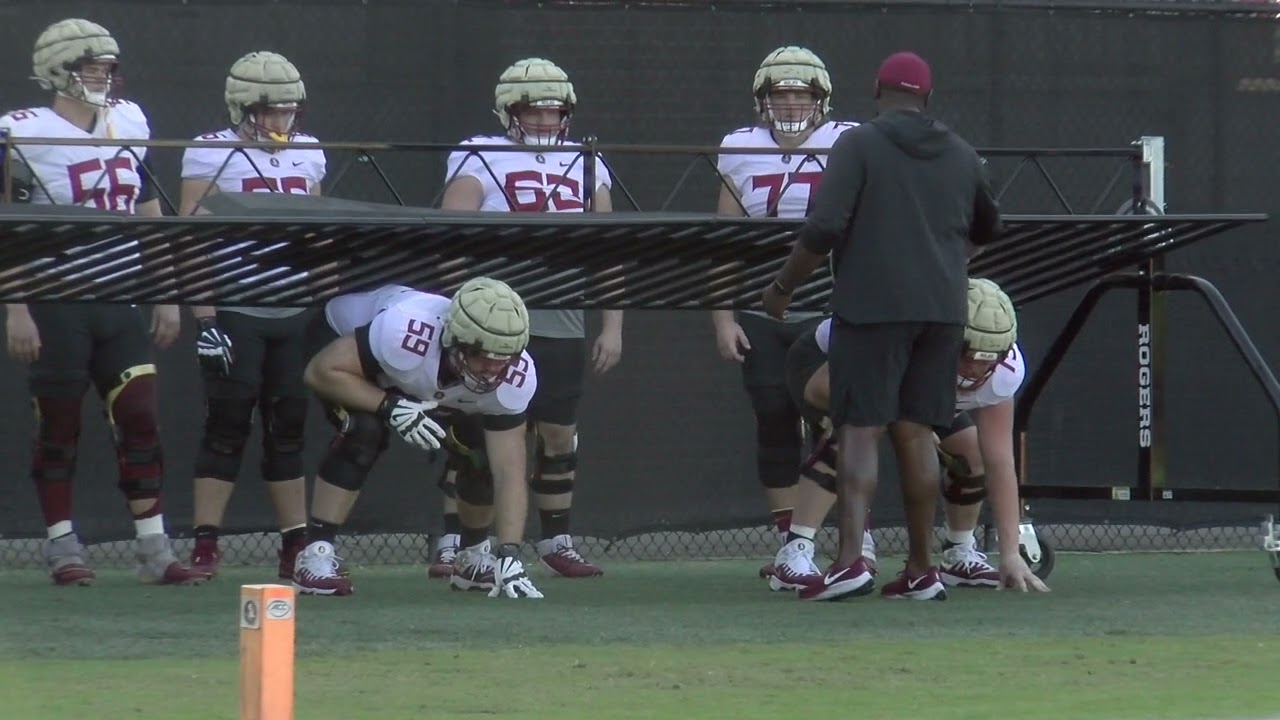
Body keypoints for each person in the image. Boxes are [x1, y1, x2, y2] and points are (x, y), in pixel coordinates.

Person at [762, 50, 1002, 600]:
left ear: (876, 92)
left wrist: (782, 287)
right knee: (916, 432)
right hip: (941, 311)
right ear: (928, 98)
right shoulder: (962, 152)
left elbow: (825, 225)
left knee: (859, 428)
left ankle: (851, 563)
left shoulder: (859, 144)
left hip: (872, 308)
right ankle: (921, 570)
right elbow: (990, 226)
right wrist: (949, 260)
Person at [0, 18, 201, 586]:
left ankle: (153, 547)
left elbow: (149, 212)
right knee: (58, 427)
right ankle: (62, 545)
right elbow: (7, 226)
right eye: (91, 68)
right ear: (57, 71)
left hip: (119, 295)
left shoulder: (129, 121)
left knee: (140, 417)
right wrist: (16, 307)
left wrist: (165, 293)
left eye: (107, 68)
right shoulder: (21, 132)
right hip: (56, 296)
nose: (102, 78)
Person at [435, 57, 621, 579]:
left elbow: (609, 248)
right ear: (508, 112)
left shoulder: (587, 161)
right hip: (489, 321)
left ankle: (557, 538)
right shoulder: (479, 154)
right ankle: (458, 540)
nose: (544, 120)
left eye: (552, 111)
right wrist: (453, 310)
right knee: (477, 432)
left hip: (561, 316)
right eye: (533, 111)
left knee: (558, 434)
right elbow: (448, 236)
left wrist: (613, 326)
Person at [778, 278, 1051, 599]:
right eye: (968, 355)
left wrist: (1010, 552)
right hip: (827, 369)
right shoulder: (902, 337)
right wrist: (913, 426)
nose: (976, 369)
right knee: (855, 434)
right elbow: (817, 391)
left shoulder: (1005, 371)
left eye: (988, 359)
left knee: (971, 454)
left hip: (918, 392)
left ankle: (959, 551)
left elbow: (1000, 462)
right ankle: (795, 550)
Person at [711, 46, 863, 587]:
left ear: (821, 100)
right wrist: (722, 317)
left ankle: (853, 538)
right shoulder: (739, 148)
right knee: (774, 417)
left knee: (840, 424)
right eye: (781, 94)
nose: (791, 104)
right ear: (763, 100)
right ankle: (789, 547)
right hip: (763, 307)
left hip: (830, 304)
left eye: (801, 95)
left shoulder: (849, 141)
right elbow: (725, 242)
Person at [296, 279, 543, 599]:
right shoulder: (405, 331)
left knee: (480, 453)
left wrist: (509, 552)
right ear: (455, 342)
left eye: (504, 358)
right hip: (345, 353)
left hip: (412, 378)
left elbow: (509, 470)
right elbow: (321, 371)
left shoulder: (516, 376)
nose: (493, 370)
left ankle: (472, 555)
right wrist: (389, 406)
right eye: (483, 356)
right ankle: (316, 553)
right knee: (364, 430)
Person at [179, 51, 326, 579]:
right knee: (226, 424)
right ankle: (205, 543)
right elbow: (190, 240)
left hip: (292, 308)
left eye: (288, 110)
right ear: (241, 108)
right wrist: (205, 318)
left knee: (288, 429)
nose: (281, 121)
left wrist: (321, 304)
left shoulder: (308, 152)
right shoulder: (210, 151)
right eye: (270, 111)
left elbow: (317, 235)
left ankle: (294, 544)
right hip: (237, 306)